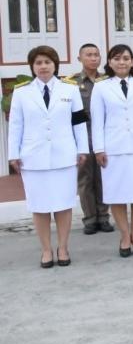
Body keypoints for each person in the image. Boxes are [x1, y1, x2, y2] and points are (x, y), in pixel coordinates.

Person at [7, 46, 88, 268]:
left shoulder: (69, 89)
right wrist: (13, 154)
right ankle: (46, 249)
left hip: (64, 156)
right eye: (38, 63)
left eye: (47, 62)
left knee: (63, 204)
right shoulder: (22, 92)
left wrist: (82, 149)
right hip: (33, 158)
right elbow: (16, 125)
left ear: (55, 65)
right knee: (39, 206)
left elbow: (79, 122)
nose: (43, 66)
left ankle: (63, 247)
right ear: (32, 67)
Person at [90, 44, 133, 257]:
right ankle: (124, 236)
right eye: (117, 58)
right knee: (116, 194)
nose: (122, 62)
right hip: (113, 148)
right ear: (109, 62)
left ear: (132, 61)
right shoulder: (101, 86)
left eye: (126, 58)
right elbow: (97, 120)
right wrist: (99, 148)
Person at [67, 43, 114, 235]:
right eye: (89, 55)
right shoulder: (71, 83)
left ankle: (103, 217)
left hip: (104, 134)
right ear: (80, 58)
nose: (93, 58)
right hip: (83, 135)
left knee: (103, 176)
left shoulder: (108, 80)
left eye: (96, 54)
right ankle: (90, 219)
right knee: (85, 179)